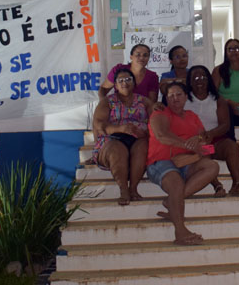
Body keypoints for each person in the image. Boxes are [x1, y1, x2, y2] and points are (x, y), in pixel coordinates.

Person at [146, 82, 219, 246]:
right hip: (161, 161)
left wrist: (198, 140)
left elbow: (204, 139)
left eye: (179, 94)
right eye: (170, 95)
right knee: (176, 183)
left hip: (186, 161)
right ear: (165, 98)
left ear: (186, 97)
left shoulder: (192, 116)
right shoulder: (160, 113)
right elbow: (162, 135)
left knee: (212, 166)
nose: (175, 98)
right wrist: (187, 144)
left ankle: (172, 201)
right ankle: (180, 231)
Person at [91, 69, 155, 205]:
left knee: (144, 146)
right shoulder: (107, 102)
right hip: (112, 139)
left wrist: (146, 133)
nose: (124, 83)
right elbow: (99, 124)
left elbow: (156, 123)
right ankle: (123, 189)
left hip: (139, 138)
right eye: (120, 80)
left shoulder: (144, 101)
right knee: (117, 150)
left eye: (128, 79)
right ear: (115, 85)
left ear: (134, 83)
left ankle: (133, 188)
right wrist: (120, 129)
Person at [186, 65, 239, 197]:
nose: (200, 80)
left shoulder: (217, 99)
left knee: (233, 147)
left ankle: (237, 184)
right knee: (202, 152)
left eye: (204, 77)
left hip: (216, 140)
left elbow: (225, 124)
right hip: (195, 143)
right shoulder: (184, 99)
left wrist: (211, 134)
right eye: (196, 77)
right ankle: (217, 186)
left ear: (209, 80)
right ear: (190, 81)